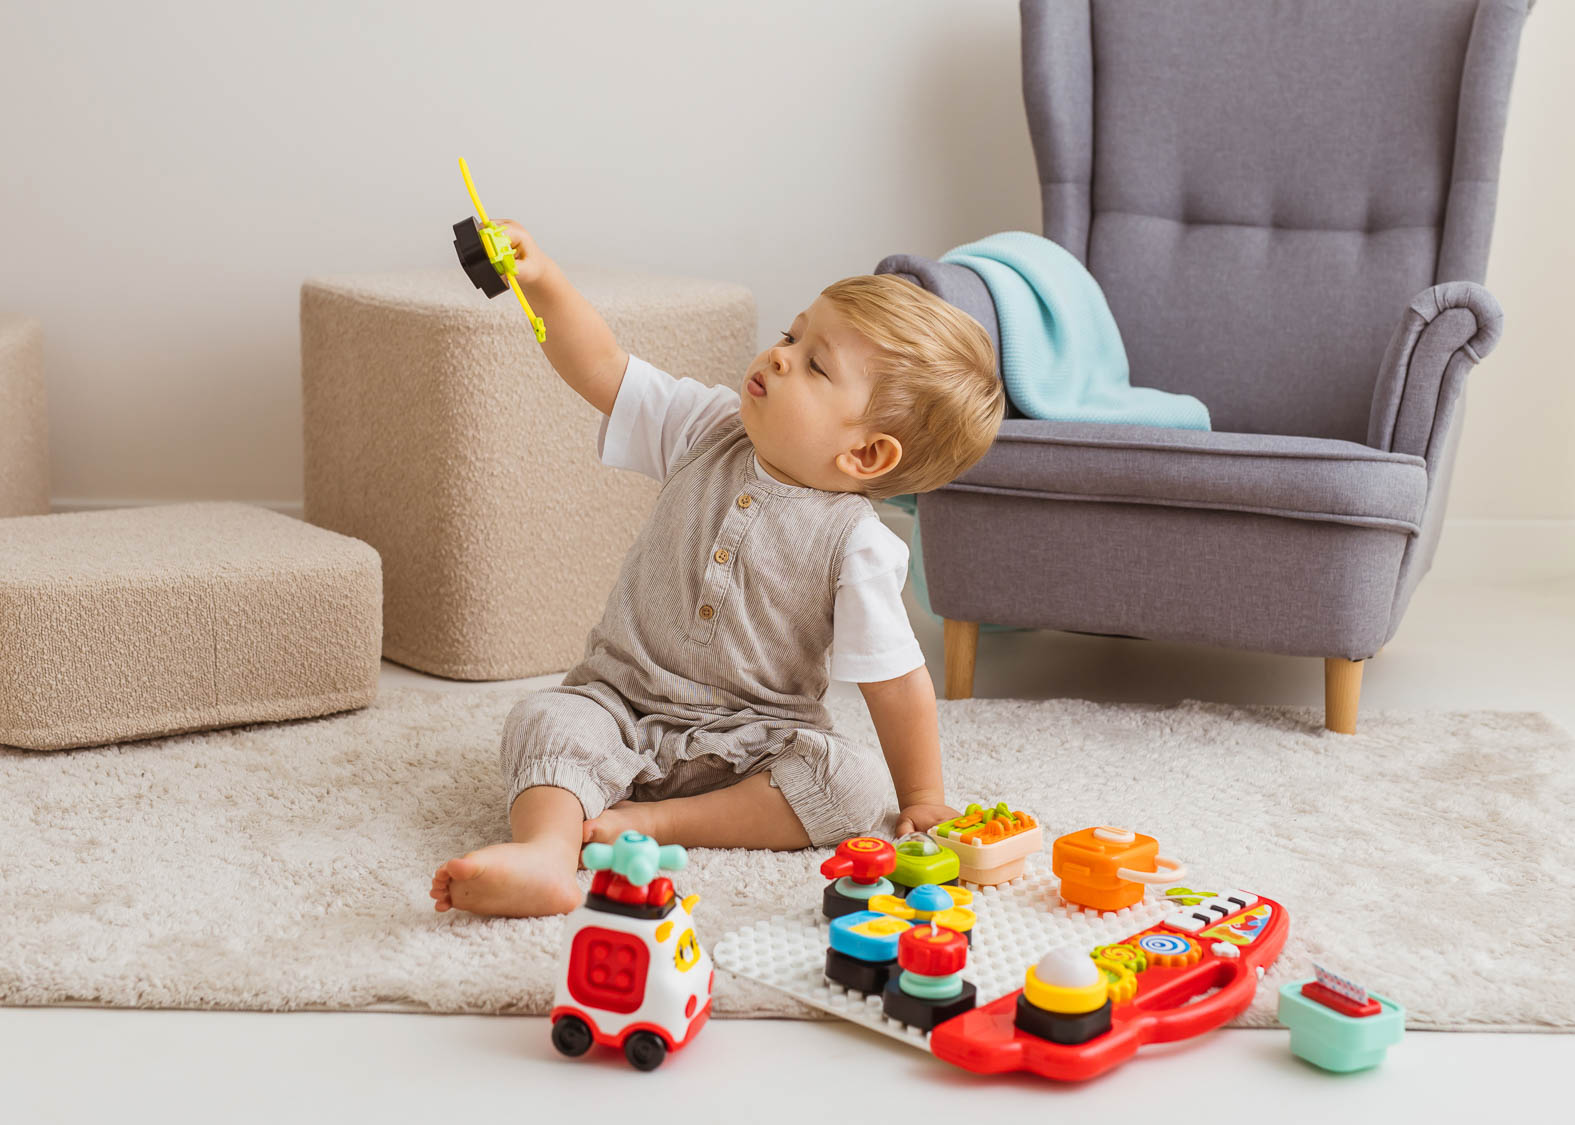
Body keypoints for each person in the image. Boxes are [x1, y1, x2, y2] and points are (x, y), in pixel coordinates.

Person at [432, 221, 1003, 917]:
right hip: (618, 706)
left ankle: (656, 822)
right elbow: (603, 367)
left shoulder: (857, 542)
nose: (781, 356)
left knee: (852, 786)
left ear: (866, 455)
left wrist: (921, 797)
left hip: (750, 745)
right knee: (545, 717)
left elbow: (896, 681)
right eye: (792, 336)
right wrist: (543, 281)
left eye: (816, 366)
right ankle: (545, 854)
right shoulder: (706, 426)